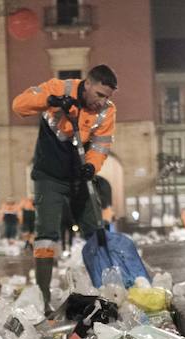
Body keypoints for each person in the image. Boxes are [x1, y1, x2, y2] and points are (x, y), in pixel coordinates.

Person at [12, 64, 117, 311]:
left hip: (80, 177)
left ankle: (108, 291)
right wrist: (50, 100)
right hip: (49, 176)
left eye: (107, 97)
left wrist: (92, 166)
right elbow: (19, 106)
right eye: (100, 95)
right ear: (88, 84)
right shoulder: (58, 88)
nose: (102, 102)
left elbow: (101, 146)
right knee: (46, 235)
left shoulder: (107, 112)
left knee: (95, 229)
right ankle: (43, 296)